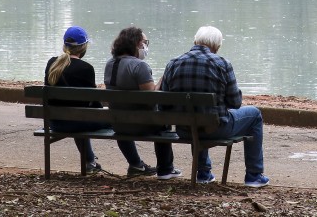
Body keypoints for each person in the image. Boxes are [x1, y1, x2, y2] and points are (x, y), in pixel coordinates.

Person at [160, 25, 269, 187]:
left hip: (185, 129)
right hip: (217, 129)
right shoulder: (222, 63)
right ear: (217, 46)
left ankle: (203, 173)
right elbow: (235, 102)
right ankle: (254, 175)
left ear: (195, 41)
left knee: (195, 115)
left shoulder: (173, 63)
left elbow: (164, 103)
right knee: (254, 114)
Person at [44, 25, 145, 174]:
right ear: (83, 47)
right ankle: (136, 164)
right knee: (117, 119)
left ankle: (89, 162)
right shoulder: (86, 68)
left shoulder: (52, 63)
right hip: (77, 122)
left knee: (78, 115)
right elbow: (93, 104)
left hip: (55, 123)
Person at [104, 26, 182, 180]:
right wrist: (163, 79)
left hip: (118, 123)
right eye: (145, 43)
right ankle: (166, 169)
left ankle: (135, 164)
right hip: (143, 124)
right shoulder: (140, 66)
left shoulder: (109, 64)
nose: (146, 46)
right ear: (136, 44)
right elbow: (150, 99)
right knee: (164, 120)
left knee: (124, 118)